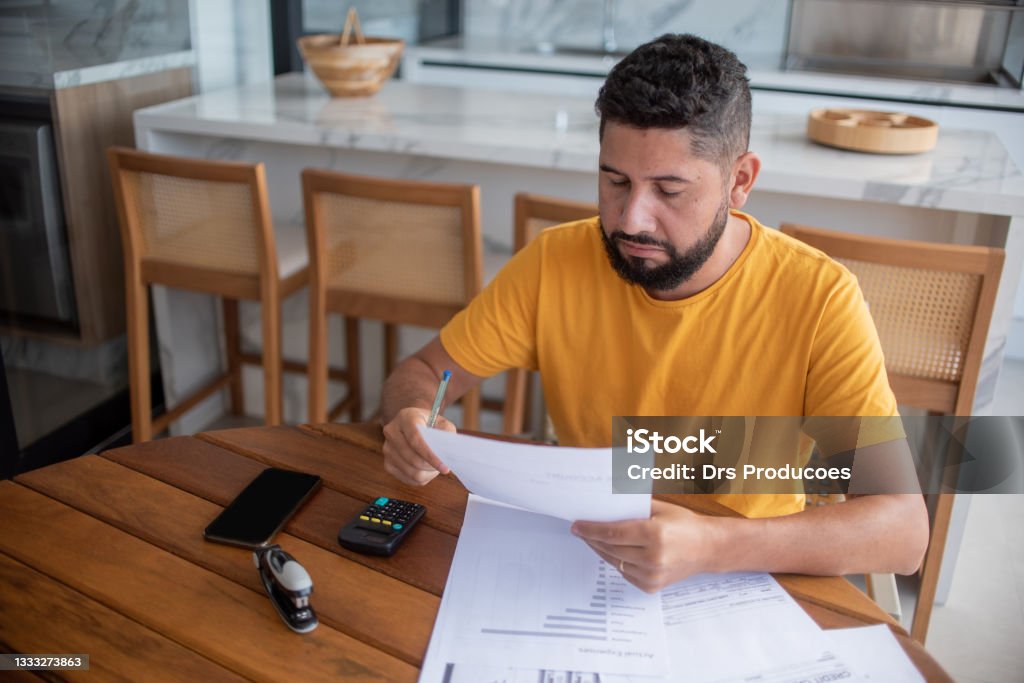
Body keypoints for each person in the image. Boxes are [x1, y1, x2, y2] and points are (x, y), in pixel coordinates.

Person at [379, 34, 929, 593]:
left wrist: (711, 546)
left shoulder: (820, 298)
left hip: (745, 574)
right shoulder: (555, 261)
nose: (632, 220)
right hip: (583, 557)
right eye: (615, 181)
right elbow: (423, 373)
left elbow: (903, 530)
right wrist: (414, 417)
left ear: (739, 181)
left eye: (669, 190)